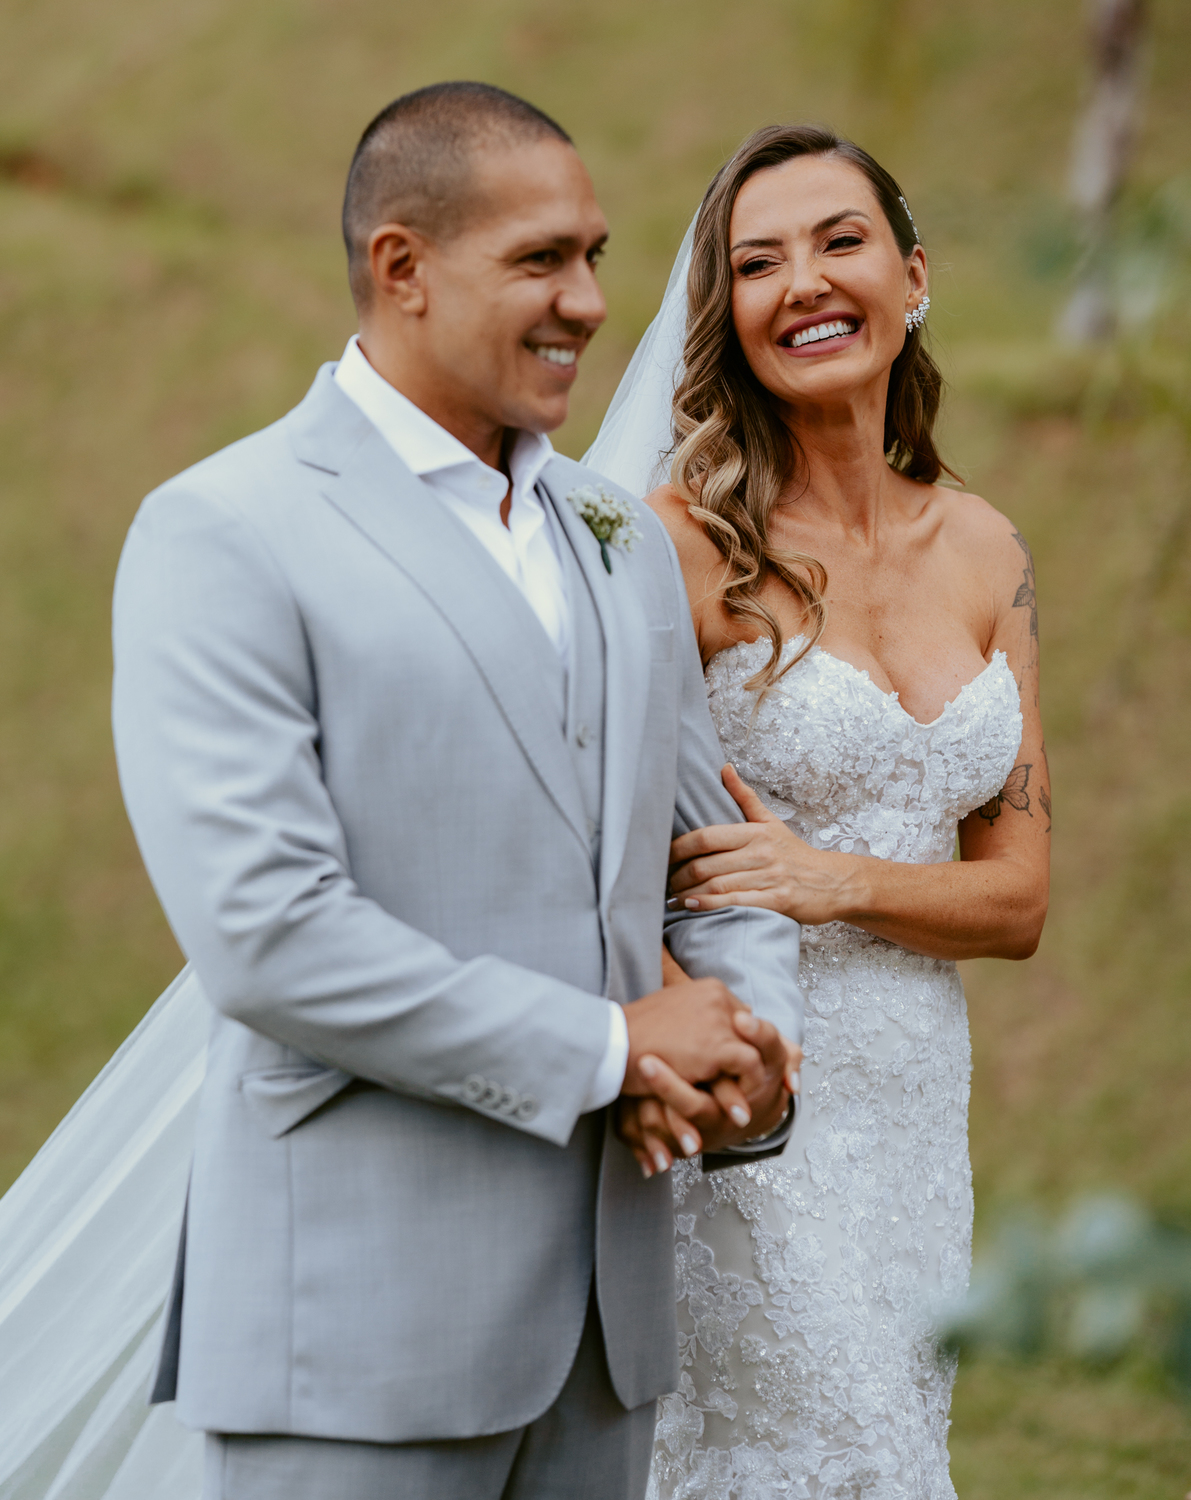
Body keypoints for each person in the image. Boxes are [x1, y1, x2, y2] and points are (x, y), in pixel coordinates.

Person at [102, 83, 805, 1500]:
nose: (590, 301)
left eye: (594, 255)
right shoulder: (224, 531)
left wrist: (747, 1050)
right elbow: (267, 935)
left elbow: (712, 860)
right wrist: (616, 1050)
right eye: (541, 260)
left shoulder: (618, 537)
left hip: (605, 1336)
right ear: (402, 267)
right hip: (354, 1332)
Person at [600, 125, 1050, 1498]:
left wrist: (832, 877)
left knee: (896, 1442)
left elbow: (1019, 899)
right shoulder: (678, 546)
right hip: (755, 1085)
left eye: (840, 241)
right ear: (727, 315)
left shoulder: (987, 549)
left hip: (916, 1101)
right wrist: (687, 1035)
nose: (803, 281)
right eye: (758, 262)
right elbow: (590, 852)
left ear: (913, 276)